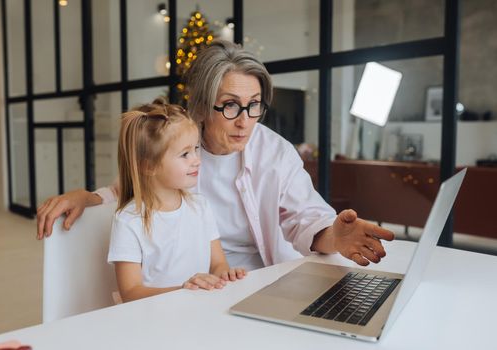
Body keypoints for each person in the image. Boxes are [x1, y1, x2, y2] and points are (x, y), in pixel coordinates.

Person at [37, 40, 394, 270]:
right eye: (230, 107)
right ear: (203, 107)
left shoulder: (275, 152)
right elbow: (129, 189)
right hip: (196, 282)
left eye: (254, 106)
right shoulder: (177, 146)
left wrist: (335, 234)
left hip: (262, 278)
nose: (244, 122)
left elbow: (306, 218)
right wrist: (86, 197)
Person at [109, 99, 245, 302]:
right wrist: (183, 290)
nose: (197, 159)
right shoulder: (128, 220)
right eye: (185, 154)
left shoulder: (200, 206)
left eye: (196, 149)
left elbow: (218, 264)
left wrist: (225, 274)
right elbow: (131, 293)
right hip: (151, 321)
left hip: (196, 311)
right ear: (149, 166)